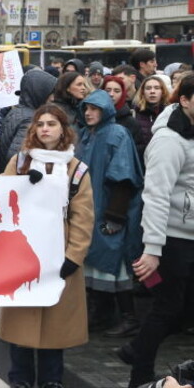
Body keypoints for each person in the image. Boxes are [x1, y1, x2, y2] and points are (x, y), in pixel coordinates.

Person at [0, 104, 94, 388]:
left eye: (51, 124)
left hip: (59, 255)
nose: (45, 129)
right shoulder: (19, 163)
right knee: (21, 328)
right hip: (24, 254)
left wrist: (73, 258)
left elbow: (83, 217)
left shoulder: (76, 170)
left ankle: (52, 382)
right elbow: (1, 198)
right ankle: (20, 381)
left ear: (63, 129)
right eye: (40, 124)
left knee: (55, 330)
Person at [119, 75, 194, 387]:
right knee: (167, 309)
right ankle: (140, 372)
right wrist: (152, 248)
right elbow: (156, 195)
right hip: (171, 238)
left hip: (187, 234)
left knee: (179, 310)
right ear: (185, 100)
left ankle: (135, 349)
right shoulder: (169, 140)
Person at [78, 89, 144, 338]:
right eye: (86, 108)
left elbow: (124, 177)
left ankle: (130, 318)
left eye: (94, 109)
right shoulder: (87, 135)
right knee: (95, 263)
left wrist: (115, 217)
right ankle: (103, 314)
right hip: (91, 209)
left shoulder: (116, 133)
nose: (89, 113)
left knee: (115, 264)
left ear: (105, 110)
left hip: (109, 210)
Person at [132, 75, 170, 161]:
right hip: (140, 161)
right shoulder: (134, 113)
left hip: (163, 159)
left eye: (156, 88)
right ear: (142, 92)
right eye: (148, 88)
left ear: (163, 91)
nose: (152, 91)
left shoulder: (170, 113)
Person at [101, 76, 142, 144]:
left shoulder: (131, 122)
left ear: (122, 94)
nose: (111, 94)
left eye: (116, 91)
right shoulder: (94, 117)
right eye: (108, 90)